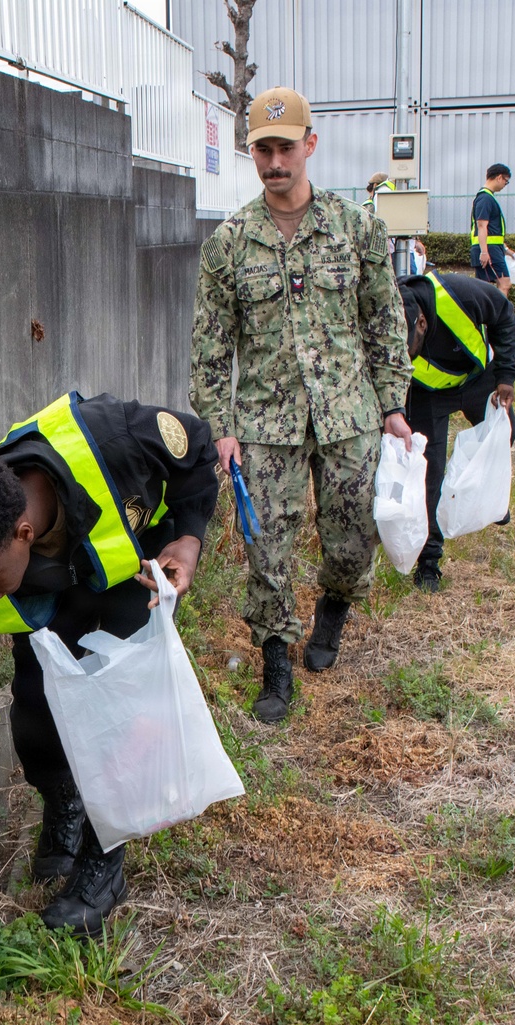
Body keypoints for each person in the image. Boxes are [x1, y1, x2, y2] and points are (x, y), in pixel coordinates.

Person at [0, 392, 219, 936]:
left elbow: (199, 452)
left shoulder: (122, 439)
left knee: (119, 714)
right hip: (52, 589)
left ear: (23, 533)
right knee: (35, 718)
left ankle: (103, 864)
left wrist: (188, 541)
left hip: (130, 574)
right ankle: (66, 806)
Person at [190, 86, 412, 723]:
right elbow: (211, 345)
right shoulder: (229, 244)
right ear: (251, 153)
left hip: (349, 413)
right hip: (265, 423)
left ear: (310, 145)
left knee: (351, 539)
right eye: (263, 149)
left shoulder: (356, 228)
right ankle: (276, 660)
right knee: (268, 548)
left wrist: (393, 404)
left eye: (286, 147)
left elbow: (384, 322)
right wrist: (221, 427)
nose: (274, 161)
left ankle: (334, 608)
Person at [395, 272, 515, 592]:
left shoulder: (460, 294)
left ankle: (491, 501)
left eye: (408, 349)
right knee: (430, 475)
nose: (405, 357)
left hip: (479, 381)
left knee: (504, 436)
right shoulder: (390, 310)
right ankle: (429, 563)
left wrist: (506, 374)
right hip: (427, 395)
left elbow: (504, 314)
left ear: (421, 324)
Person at [470, 164, 515, 294]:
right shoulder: (485, 199)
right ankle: (498, 314)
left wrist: (506, 250)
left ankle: (488, 314)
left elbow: (492, 231)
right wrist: (484, 252)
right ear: (499, 177)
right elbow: (482, 226)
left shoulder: (486, 197)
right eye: (506, 182)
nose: (504, 185)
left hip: (491, 248)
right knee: (504, 283)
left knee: (484, 287)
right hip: (489, 250)